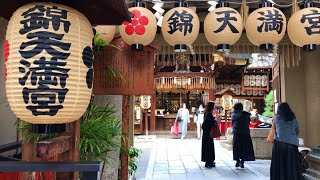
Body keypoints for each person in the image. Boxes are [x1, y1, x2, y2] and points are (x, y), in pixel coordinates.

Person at [270, 102, 302, 180]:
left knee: (280, 165)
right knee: (291, 165)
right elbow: (297, 131)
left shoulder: (276, 118)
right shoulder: (293, 119)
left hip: (279, 145)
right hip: (292, 145)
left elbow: (275, 130)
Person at [232, 102, 255, 168]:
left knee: (236, 148)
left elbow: (232, 124)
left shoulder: (234, 114)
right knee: (243, 148)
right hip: (245, 133)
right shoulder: (246, 115)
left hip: (236, 133)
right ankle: (242, 161)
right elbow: (248, 123)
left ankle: (237, 161)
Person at [201, 101, 216, 168]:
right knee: (208, 147)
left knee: (208, 147)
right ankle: (208, 161)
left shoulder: (206, 113)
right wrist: (214, 121)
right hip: (208, 133)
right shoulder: (209, 114)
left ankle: (209, 161)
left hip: (206, 133)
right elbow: (206, 124)